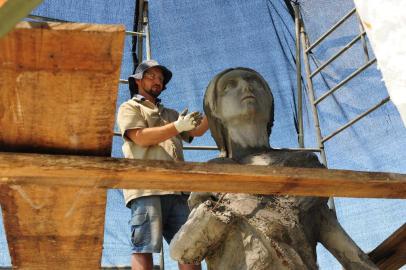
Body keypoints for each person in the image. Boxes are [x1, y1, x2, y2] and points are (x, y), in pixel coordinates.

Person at [170, 68, 378, 270]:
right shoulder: (212, 175)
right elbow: (183, 251)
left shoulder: (303, 166)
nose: (245, 87)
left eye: (255, 83)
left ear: (270, 103)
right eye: (230, 86)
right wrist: (219, 211)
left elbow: (346, 250)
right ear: (215, 110)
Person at [117, 59, 207, 270]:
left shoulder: (171, 114)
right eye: (151, 76)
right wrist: (176, 127)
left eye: (160, 78)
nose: (157, 80)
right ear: (137, 80)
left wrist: (214, 105)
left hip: (179, 191)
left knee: (190, 249)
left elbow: (197, 130)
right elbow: (139, 137)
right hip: (147, 188)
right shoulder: (130, 107)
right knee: (144, 248)